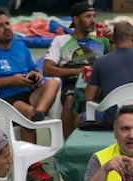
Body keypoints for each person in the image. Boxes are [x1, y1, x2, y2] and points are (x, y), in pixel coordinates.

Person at [0, 10, 58, 181]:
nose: (6, 28)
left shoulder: (20, 47)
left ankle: (38, 112)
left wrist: (35, 75)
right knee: (23, 109)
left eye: (7, 23)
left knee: (53, 83)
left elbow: (32, 68)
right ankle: (33, 166)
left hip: (27, 92)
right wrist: (10, 80)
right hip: (3, 100)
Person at [43, 1, 112, 139]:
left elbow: (117, 60)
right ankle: (67, 145)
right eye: (88, 16)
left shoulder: (102, 41)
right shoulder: (61, 41)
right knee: (70, 100)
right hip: (73, 84)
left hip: (97, 84)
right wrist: (78, 71)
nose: (92, 20)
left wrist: (112, 39)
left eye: (93, 16)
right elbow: (47, 69)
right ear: (75, 19)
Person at [84, 20, 133, 121]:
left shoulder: (101, 62)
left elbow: (89, 97)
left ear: (113, 39)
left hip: (112, 119)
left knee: (79, 118)